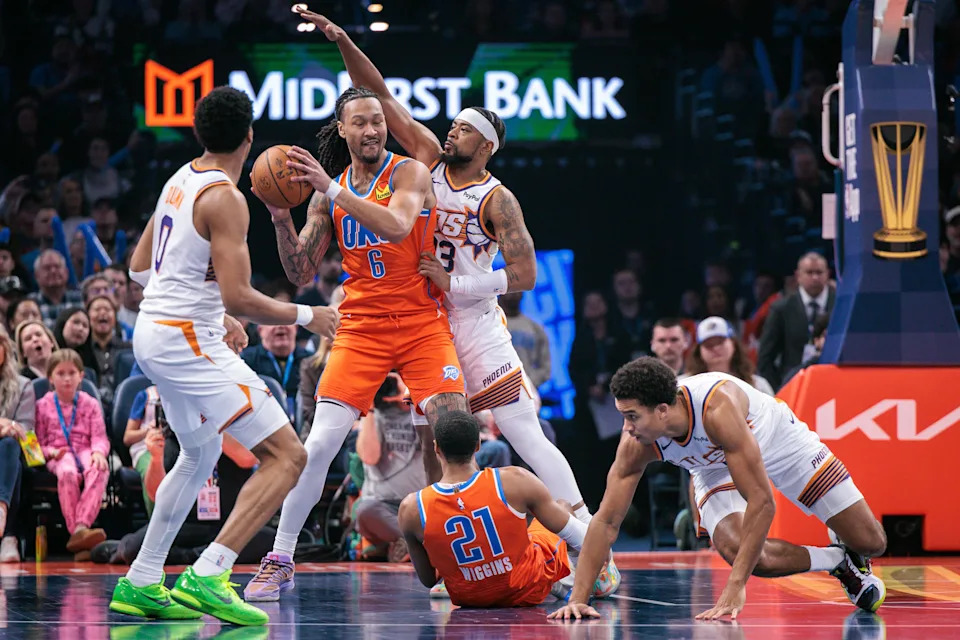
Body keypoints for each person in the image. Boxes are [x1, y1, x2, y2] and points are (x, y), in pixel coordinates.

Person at [298, 7, 601, 569]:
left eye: (461, 128)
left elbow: (526, 278)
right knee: (441, 447)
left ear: (483, 144)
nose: (448, 131)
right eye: (452, 126)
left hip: (474, 323)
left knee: (525, 436)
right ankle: (444, 554)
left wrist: (458, 281)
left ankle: (588, 537)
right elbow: (378, 93)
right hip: (421, 323)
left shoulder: (497, 198)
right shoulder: (427, 163)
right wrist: (342, 39)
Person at [107, 86, 338, 627]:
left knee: (199, 453)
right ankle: (211, 572)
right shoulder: (228, 199)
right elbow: (238, 295)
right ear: (250, 137)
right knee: (288, 456)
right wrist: (310, 316)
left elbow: (141, 270)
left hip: (155, 332)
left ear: (198, 133)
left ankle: (141, 579)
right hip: (184, 338)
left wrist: (211, 310)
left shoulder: (179, 180)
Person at [244, 84, 468, 601]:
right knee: (318, 444)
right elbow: (300, 271)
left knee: (454, 431)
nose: (372, 129)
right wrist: (281, 219)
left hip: (420, 321)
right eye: (360, 123)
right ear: (341, 130)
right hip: (361, 326)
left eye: (377, 120)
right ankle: (280, 558)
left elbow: (396, 225)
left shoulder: (408, 172)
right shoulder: (328, 191)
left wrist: (332, 188)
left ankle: (459, 554)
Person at [549, 357, 887, 622]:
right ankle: (839, 561)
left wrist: (735, 587)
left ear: (662, 410)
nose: (626, 427)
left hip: (783, 444)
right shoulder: (636, 444)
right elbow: (606, 521)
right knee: (748, 554)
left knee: (872, 542)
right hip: (712, 466)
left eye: (632, 416)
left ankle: (852, 547)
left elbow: (762, 502)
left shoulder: (717, 408)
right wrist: (578, 599)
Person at [397, 410, 596, 607]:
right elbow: (582, 537)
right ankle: (577, 578)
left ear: (436, 448)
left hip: (469, 598)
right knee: (563, 506)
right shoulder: (513, 480)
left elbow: (428, 579)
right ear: (478, 445)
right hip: (525, 588)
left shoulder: (411, 508)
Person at [34, 349, 110, 556]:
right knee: (67, 472)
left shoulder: (90, 403)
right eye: (60, 373)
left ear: (81, 376)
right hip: (58, 453)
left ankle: (79, 530)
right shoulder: (41, 406)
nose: (67, 379)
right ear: (50, 377)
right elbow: (37, 443)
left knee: (99, 468)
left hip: (85, 449)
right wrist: (50, 452)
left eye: (72, 373)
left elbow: (99, 437)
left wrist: (99, 452)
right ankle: (79, 533)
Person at [0, 328, 36, 562]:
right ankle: (8, 533)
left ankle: (4, 520)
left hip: (10, 452)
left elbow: (25, 430)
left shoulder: (23, 385)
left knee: (10, 447)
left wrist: (8, 426)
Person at [683, 316, 775, 395]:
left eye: (720, 342)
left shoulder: (758, 385)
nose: (716, 348)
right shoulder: (685, 386)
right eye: (708, 345)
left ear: (733, 344)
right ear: (699, 351)